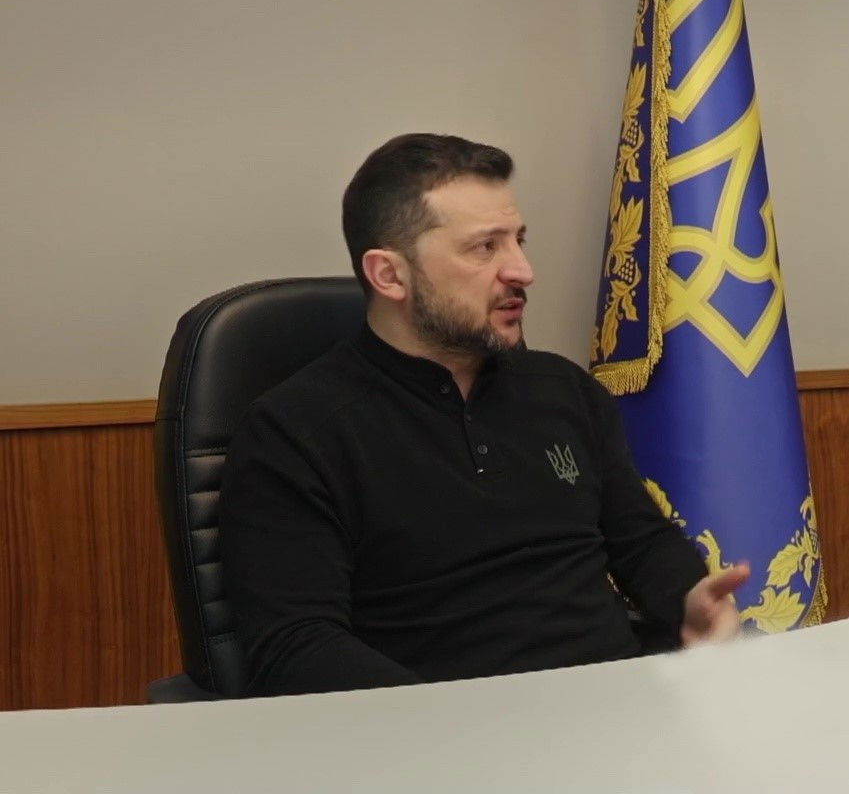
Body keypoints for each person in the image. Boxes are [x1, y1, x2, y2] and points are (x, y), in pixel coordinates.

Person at [222, 133, 746, 696]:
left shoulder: (564, 390)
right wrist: (449, 726)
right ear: (389, 275)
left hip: (617, 707)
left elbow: (640, 540)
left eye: (518, 241)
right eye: (485, 248)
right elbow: (297, 645)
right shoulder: (294, 431)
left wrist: (688, 599)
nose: (522, 270)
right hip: (435, 730)